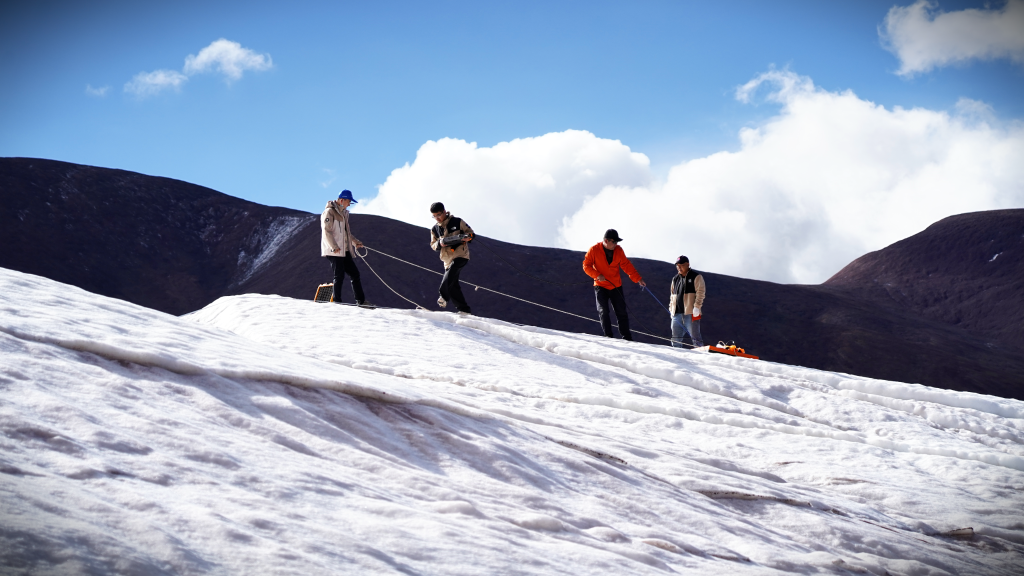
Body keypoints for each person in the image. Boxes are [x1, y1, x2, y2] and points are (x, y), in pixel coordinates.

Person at [582, 229, 646, 340]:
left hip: (616, 286)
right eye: (614, 242)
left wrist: (638, 279)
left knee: (621, 312)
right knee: (603, 311)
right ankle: (608, 337)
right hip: (600, 286)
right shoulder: (594, 250)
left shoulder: (619, 250)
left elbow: (626, 265)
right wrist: (597, 275)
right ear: (606, 240)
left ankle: (627, 338)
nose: (616, 244)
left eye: (617, 242)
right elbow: (586, 266)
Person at [321, 190, 371, 306]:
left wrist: (355, 242)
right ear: (342, 200)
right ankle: (337, 303)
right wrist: (333, 247)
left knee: (355, 274)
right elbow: (326, 231)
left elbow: (346, 234)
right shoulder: (329, 212)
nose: (349, 204)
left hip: (344, 250)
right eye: (349, 201)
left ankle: (361, 301)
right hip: (334, 251)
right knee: (339, 276)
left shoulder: (343, 214)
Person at [429, 202, 475, 314]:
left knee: (450, 275)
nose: (437, 218)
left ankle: (443, 296)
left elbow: (471, 234)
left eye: (438, 215)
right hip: (446, 259)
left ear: (444, 212)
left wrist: (467, 238)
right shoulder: (434, 229)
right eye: (434, 216)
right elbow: (433, 245)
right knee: (452, 284)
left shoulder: (457, 221)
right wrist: (440, 244)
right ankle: (464, 310)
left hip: (461, 255)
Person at [668, 255, 705, 348]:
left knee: (695, 337)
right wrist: (671, 310)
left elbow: (700, 292)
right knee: (675, 338)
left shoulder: (696, 276)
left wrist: (697, 307)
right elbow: (672, 296)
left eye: (681, 265)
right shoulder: (675, 279)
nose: (679, 267)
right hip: (677, 314)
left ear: (688, 264)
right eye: (677, 265)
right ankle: (677, 357)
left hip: (691, 312)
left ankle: (702, 356)